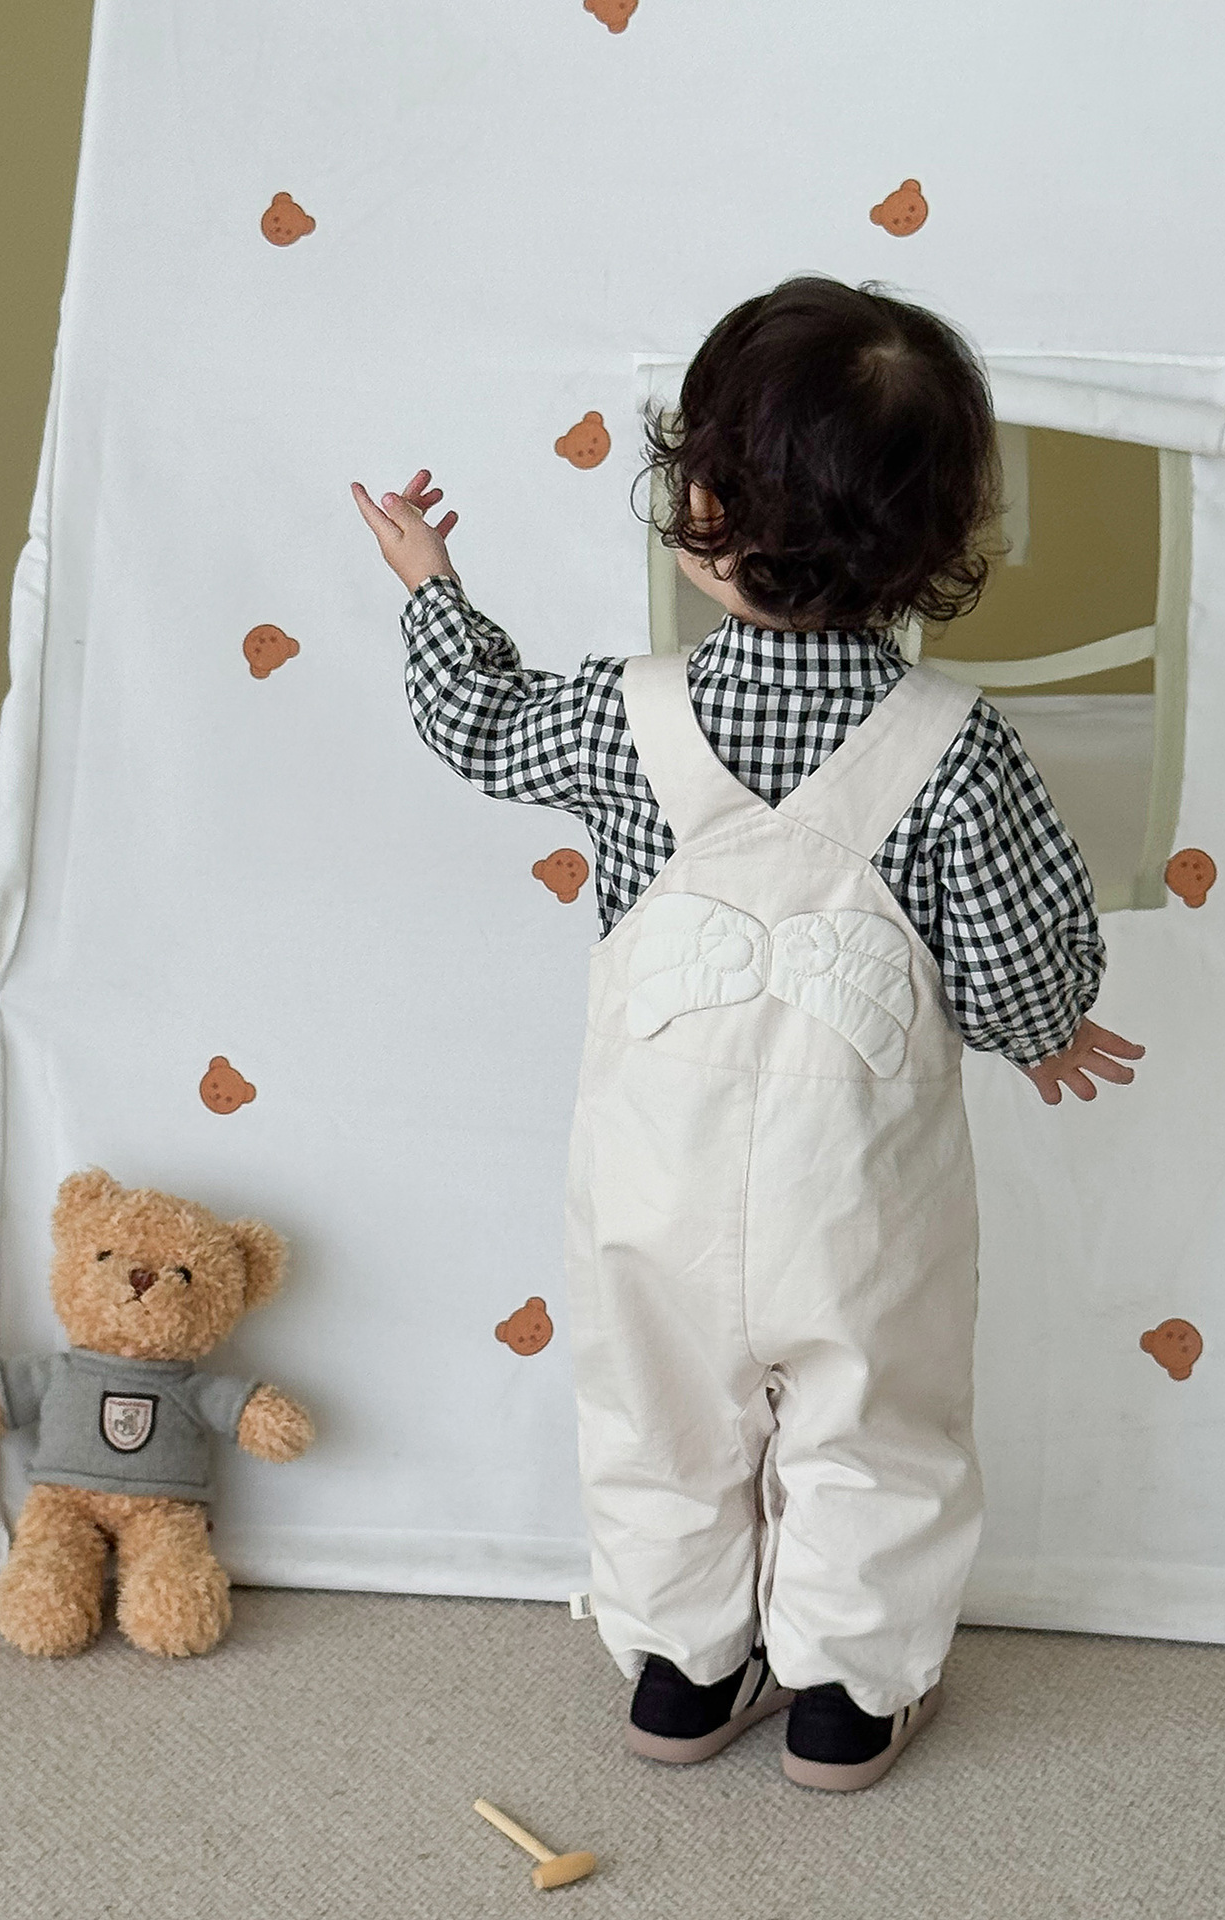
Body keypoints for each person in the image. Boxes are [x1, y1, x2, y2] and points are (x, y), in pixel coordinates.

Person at [351, 275, 1144, 1792]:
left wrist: (432, 585)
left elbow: (477, 723)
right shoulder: (959, 750)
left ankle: (686, 1670)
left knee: (658, 1415)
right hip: (864, 1202)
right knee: (874, 1422)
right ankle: (846, 1695)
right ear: (936, 539)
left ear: (703, 508)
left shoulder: (618, 717)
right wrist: (1052, 1031)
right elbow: (1010, 969)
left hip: (651, 1183)